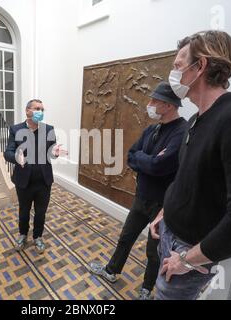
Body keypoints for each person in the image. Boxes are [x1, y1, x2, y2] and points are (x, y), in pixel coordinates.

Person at [149, 30, 231, 300]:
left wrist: (187, 260)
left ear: (201, 65)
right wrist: (165, 211)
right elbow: (187, 177)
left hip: (189, 251)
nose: (174, 73)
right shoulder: (196, 119)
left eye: (178, 65)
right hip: (169, 233)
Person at [89, 82, 187, 300]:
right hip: (141, 197)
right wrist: (150, 160)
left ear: (169, 105)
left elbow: (159, 166)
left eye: (155, 101)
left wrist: (149, 161)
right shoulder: (152, 129)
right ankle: (112, 271)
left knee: (154, 252)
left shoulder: (181, 132)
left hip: (162, 205)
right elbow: (131, 155)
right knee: (126, 238)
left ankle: (147, 290)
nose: (149, 104)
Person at [4, 99, 67, 254]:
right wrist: (16, 158)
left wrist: (55, 153)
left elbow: (51, 152)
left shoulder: (49, 129)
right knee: (24, 210)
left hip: (43, 181)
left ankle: (38, 236)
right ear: (27, 111)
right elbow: (8, 152)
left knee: (41, 212)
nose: (40, 112)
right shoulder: (16, 129)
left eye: (42, 109)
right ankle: (23, 234)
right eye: (37, 108)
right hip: (23, 180)